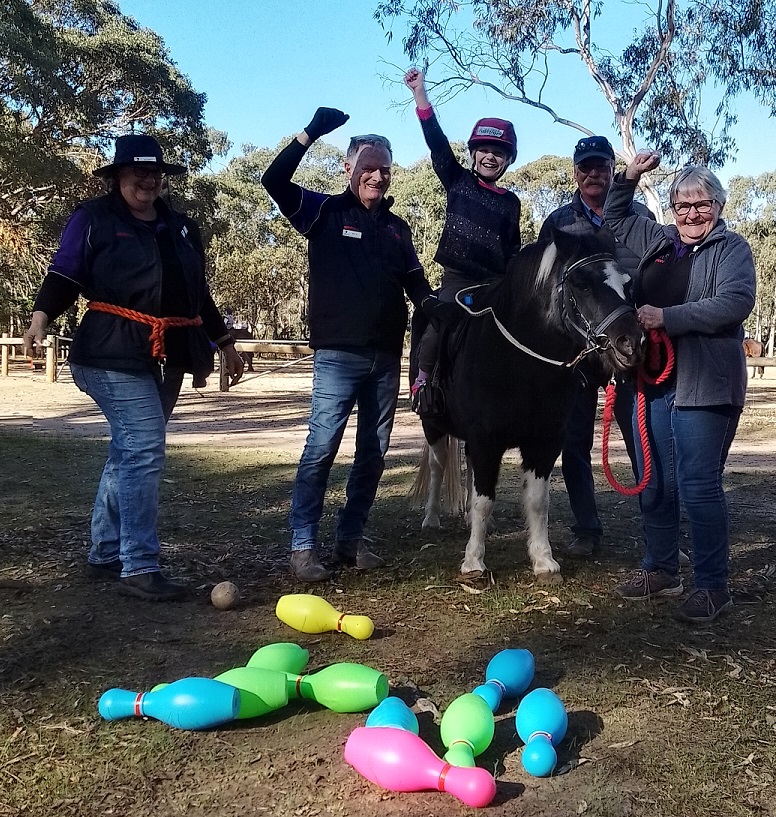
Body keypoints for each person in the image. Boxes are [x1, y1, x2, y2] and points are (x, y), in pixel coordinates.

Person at [23, 134, 245, 602]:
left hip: (169, 354)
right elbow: (65, 273)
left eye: (155, 172)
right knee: (143, 447)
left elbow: (196, 293)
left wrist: (223, 342)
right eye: (137, 171)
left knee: (129, 451)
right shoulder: (94, 218)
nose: (148, 180)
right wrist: (42, 315)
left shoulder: (182, 228)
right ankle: (139, 564)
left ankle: (105, 551)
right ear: (118, 175)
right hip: (109, 351)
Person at [261, 107, 443, 582]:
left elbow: (418, 288)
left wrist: (447, 307)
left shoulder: (397, 228)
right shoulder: (323, 211)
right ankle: (303, 546)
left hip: (385, 357)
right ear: (348, 169)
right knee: (321, 447)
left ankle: (349, 538)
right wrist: (311, 131)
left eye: (384, 168)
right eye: (368, 167)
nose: (377, 176)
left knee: (373, 453)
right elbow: (273, 181)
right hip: (338, 356)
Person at [604, 151, 756, 623]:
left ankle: (713, 585)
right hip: (651, 380)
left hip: (705, 384)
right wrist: (628, 176)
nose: (692, 214)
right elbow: (614, 215)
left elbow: (734, 303)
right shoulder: (661, 240)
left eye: (702, 204)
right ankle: (661, 567)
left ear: (719, 205)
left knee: (697, 485)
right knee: (655, 481)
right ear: (671, 208)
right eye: (682, 205)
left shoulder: (733, 249)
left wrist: (667, 317)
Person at [538, 136, 651, 558]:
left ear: (611, 169)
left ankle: (657, 534)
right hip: (580, 352)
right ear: (575, 172)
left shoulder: (637, 214)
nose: (594, 174)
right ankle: (586, 529)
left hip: (628, 346)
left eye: (601, 166)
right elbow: (548, 287)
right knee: (575, 441)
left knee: (643, 439)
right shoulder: (558, 222)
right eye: (585, 167)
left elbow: (650, 270)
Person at [404, 68, 522, 401]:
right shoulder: (458, 181)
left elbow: (513, 249)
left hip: (494, 284)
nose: (490, 156)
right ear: (472, 153)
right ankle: (424, 383)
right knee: (439, 323)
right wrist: (420, 95)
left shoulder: (511, 203)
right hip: (457, 280)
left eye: (498, 152)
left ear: (507, 161)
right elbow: (437, 143)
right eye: (483, 149)